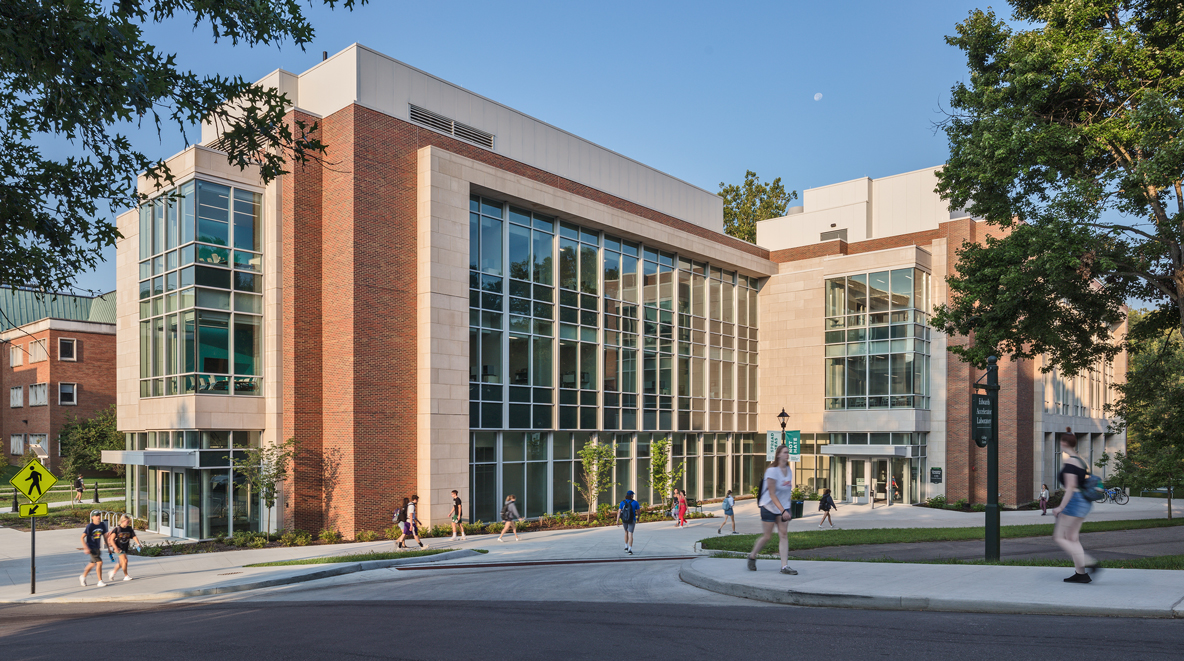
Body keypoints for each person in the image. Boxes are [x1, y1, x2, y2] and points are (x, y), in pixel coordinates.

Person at [1049, 428, 1100, 583]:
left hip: (1075, 501)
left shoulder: (1071, 461)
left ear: (1064, 443)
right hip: (1084, 501)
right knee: (1072, 538)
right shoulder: (1080, 460)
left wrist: (1060, 507)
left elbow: (1070, 487)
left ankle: (1089, 562)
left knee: (1059, 537)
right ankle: (1081, 574)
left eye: (1061, 442)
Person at [747, 445, 797, 575]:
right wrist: (783, 511)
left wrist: (788, 509)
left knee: (783, 534)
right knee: (767, 536)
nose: (787, 455)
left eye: (788, 453)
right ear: (778, 454)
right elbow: (772, 494)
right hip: (768, 507)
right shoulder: (772, 471)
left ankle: (784, 566)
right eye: (785, 452)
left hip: (782, 508)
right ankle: (752, 556)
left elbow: (787, 493)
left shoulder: (789, 470)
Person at [79, 511, 110, 587]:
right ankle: (100, 581)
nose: (98, 517)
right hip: (91, 548)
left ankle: (83, 576)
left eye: (99, 515)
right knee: (99, 562)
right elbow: (82, 537)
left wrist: (108, 547)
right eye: (96, 516)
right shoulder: (90, 526)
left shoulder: (102, 525)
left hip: (97, 548)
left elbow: (105, 537)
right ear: (92, 517)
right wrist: (86, 548)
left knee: (92, 564)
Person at [107, 514, 142, 582]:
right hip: (118, 547)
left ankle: (113, 572)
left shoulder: (129, 529)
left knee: (121, 563)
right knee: (125, 560)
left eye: (129, 522)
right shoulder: (117, 529)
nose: (128, 523)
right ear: (122, 521)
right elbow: (111, 539)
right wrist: (115, 547)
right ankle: (126, 576)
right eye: (127, 521)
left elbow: (134, 536)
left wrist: (138, 543)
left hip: (125, 547)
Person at [616, 490, 640, 554]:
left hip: (624, 520)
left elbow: (619, 512)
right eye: (633, 495)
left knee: (626, 532)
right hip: (632, 519)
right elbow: (638, 512)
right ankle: (630, 549)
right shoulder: (635, 503)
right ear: (631, 495)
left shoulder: (622, 502)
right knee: (630, 533)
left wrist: (617, 520)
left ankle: (626, 546)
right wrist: (638, 518)